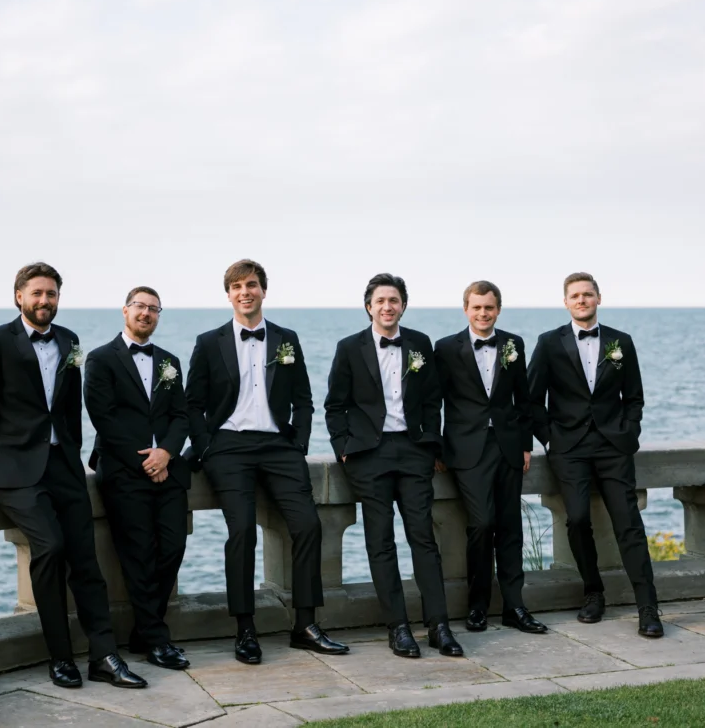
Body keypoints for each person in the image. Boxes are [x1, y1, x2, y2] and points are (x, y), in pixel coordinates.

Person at [0, 262, 147, 689]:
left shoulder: (69, 341)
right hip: (15, 472)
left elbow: (69, 406)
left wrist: (78, 454)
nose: (45, 301)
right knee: (51, 547)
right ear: (19, 296)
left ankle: (105, 656)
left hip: (64, 467)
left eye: (52, 294)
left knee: (87, 561)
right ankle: (61, 658)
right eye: (37, 293)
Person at [185, 259, 348, 664]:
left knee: (308, 525)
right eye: (237, 286)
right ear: (228, 294)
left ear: (263, 290)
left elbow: (304, 400)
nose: (245, 292)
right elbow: (192, 403)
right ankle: (245, 630)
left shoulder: (286, 339)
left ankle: (305, 626)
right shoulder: (209, 342)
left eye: (252, 284)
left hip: (279, 447)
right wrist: (206, 446)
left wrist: (299, 444)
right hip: (229, 447)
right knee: (242, 532)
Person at [325, 273, 463, 658]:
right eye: (380, 300)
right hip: (369, 457)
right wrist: (344, 450)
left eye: (394, 300)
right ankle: (398, 629)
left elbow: (433, 398)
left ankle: (439, 626)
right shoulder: (349, 347)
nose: (388, 306)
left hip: (414, 450)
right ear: (369, 306)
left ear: (403, 305)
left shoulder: (419, 344)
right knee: (381, 542)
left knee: (424, 539)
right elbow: (334, 405)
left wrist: (432, 446)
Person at [527, 272, 663, 638]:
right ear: (566, 302)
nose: (582, 300)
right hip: (568, 449)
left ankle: (648, 608)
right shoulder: (548, 343)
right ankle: (593, 592)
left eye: (588, 294)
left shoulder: (622, 342)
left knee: (629, 524)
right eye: (575, 296)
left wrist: (628, 434)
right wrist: (550, 440)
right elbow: (531, 399)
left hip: (613, 447)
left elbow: (634, 397)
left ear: (599, 298)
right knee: (577, 519)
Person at [84, 286, 190, 670]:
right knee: (138, 555)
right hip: (124, 472)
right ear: (125, 311)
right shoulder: (99, 359)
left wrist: (166, 453)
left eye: (154, 309)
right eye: (140, 307)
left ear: (159, 316)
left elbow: (182, 414)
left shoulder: (170, 361)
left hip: (167, 470)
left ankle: (144, 632)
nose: (146, 313)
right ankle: (157, 641)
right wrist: (145, 460)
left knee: (173, 547)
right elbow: (103, 416)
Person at [434, 280, 547, 635]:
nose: (483, 313)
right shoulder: (445, 348)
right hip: (466, 450)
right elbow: (433, 400)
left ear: (498, 309)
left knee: (510, 528)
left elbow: (524, 398)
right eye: (477, 307)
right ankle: (478, 607)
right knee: (481, 524)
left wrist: (526, 443)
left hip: (508, 447)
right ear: (466, 309)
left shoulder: (514, 344)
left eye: (490, 307)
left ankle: (515, 606)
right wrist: (436, 447)